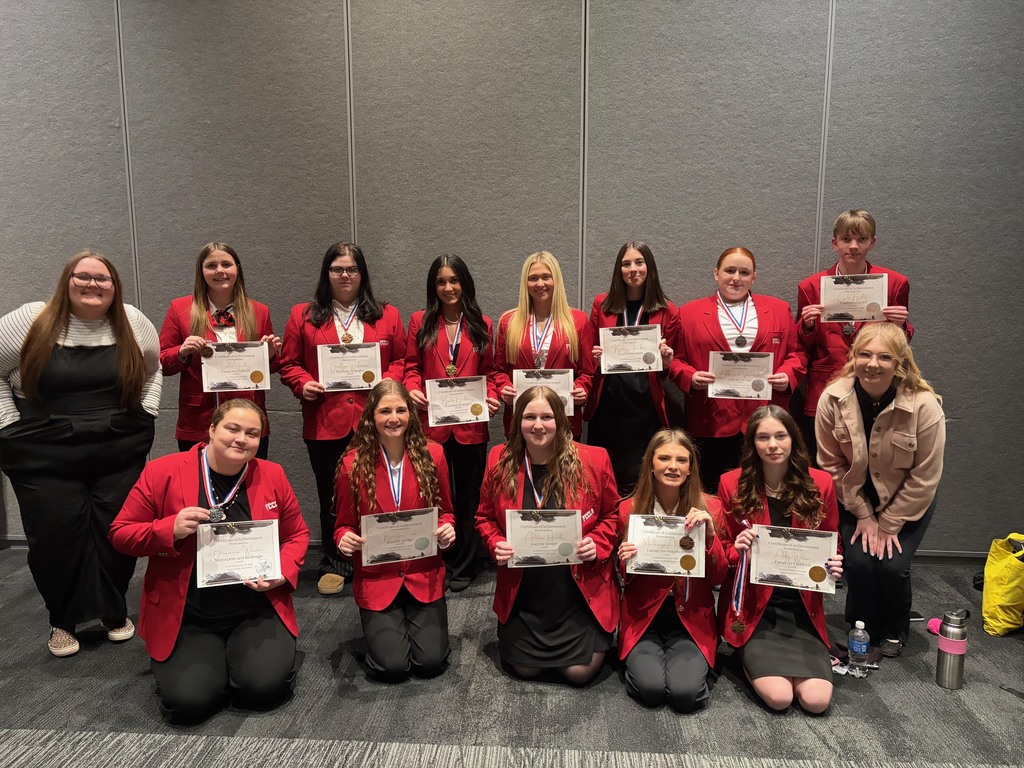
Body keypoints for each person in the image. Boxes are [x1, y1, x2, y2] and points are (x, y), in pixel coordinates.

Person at [0, 251, 161, 657]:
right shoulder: (31, 319)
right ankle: (62, 621)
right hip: (42, 449)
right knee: (55, 535)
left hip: (117, 448)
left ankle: (113, 611)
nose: (93, 284)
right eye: (83, 276)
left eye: (102, 278)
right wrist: (6, 424)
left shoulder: (132, 321)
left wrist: (146, 412)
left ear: (115, 285)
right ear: (67, 280)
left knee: (116, 530)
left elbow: (152, 369)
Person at [110, 400, 309, 723]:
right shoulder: (163, 471)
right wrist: (168, 529)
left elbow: (297, 535)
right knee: (190, 704)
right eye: (232, 428)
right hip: (189, 612)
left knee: (262, 691)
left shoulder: (272, 474)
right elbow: (121, 534)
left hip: (255, 607)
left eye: (252, 433)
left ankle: (235, 663)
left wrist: (281, 573)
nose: (241, 439)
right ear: (212, 429)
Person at [279, 242, 407, 596]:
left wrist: (390, 381)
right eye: (337, 269)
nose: (345, 275)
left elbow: (402, 359)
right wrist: (302, 384)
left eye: (351, 269)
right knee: (331, 494)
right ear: (327, 274)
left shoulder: (387, 315)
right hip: (325, 420)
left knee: (382, 487)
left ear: (362, 274)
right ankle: (336, 562)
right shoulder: (303, 315)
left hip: (376, 420)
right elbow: (288, 364)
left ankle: (382, 553)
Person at [815, 322, 943, 658]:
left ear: (899, 362)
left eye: (884, 357)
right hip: (853, 495)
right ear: (853, 357)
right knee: (858, 562)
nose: (873, 364)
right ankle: (863, 626)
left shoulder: (924, 405)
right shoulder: (833, 398)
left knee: (890, 565)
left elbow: (926, 473)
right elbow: (830, 464)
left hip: (909, 497)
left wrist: (889, 521)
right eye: (865, 354)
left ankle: (894, 627)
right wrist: (863, 513)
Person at [475, 385, 619, 685]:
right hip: (526, 592)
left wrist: (598, 543)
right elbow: (484, 518)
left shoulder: (594, 459)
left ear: (562, 421)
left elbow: (612, 516)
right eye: (529, 417)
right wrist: (495, 542)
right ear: (517, 421)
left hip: (578, 589)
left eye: (547, 417)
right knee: (526, 670)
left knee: (579, 674)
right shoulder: (498, 459)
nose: (538, 425)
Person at [717, 405, 842, 714]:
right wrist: (738, 547)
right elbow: (722, 553)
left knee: (816, 702)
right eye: (763, 437)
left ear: (793, 440)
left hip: (802, 609)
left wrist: (835, 565)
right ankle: (744, 653)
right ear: (752, 444)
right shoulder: (731, 483)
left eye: (780, 436)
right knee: (779, 698)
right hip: (757, 607)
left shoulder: (821, 484)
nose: (773, 445)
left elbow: (830, 541)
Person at [335, 380, 455, 682]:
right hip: (378, 578)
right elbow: (343, 525)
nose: (394, 418)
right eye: (385, 410)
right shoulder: (352, 464)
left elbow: (447, 513)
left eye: (401, 410)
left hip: (422, 573)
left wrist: (447, 529)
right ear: (370, 416)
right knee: (392, 668)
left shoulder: (434, 455)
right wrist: (343, 540)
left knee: (430, 664)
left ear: (411, 414)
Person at [675, 247, 807, 492]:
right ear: (716, 273)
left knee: (765, 490)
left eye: (744, 272)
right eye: (729, 270)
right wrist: (690, 377)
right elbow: (675, 360)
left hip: (765, 418)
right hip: (711, 419)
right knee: (713, 491)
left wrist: (787, 376)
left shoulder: (778, 309)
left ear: (754, 277)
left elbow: (797, 354)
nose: (736, 278)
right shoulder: (689, 313)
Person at [404, 254, 500, 592]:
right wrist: (412, 389)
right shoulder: (420, 321)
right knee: (434, 495)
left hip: (471, 426)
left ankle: (464, 563)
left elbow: (492, 373)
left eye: (454, 280)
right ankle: (436, 560)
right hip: (431, 425)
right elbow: (411, 367)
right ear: (434, 286)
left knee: (469, 497)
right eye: (441, 281)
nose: (448, 288)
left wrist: (493, 394)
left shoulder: (482, 322)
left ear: (465, 283)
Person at [617, 429, 728, 713]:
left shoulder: (711, 508)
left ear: (691, 467)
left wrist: (712, 539)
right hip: (645, 614)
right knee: (650, 691)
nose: (672, 466)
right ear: (650, 464)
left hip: (691, 616)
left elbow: (719, 577)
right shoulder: (628, 510)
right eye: (664, 458)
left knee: (686, 695)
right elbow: (623, 577)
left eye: (681, 459)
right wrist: (623, 560)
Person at [796, 210, 913, 460]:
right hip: (825, 386)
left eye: (861, 239)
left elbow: (901, 346)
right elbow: (802, 346)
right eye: (846, 239)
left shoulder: (894, 283)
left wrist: (901, 326)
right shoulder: (811, 286)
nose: (853, 246)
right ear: (834, 243)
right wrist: (807, 325)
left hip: (876, 386)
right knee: (825, 463)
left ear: (872, 242)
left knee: (873, 459)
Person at [159, 242, 281, 459]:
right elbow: (161, 363)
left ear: (237, 269)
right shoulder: (180, 309)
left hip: (248, 418)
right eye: (211, 265)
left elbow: (272, 368)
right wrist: (182, 351)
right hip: (198, 420)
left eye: (226, 264)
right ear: (201, 271)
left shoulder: (259, 311)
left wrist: (270, 355)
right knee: (198, 486)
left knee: (247, 487)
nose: (220, 271)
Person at [587, 241, 680, 495]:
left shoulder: (667, 310)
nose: (633, 269)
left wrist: (666, 359)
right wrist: (595, 357)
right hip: (608, 402)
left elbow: (668, 370)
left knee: (641, 474)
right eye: (626, 264)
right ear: (619, 270)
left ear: (649, 267)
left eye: (639, 262)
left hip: (645, 405)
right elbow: (590, 351)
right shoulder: (602, 304)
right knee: (604, 471)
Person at [494, 251, 594, 439]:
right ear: (526, 283)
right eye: (533, 278)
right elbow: (498, 370)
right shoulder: (509, 322)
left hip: (564, 420)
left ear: (556, 280)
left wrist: (583, 389)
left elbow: (587, 372)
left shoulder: (577, 321)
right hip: (523, 421)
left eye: (546, 277)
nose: (540, 284)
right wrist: (503, 388)